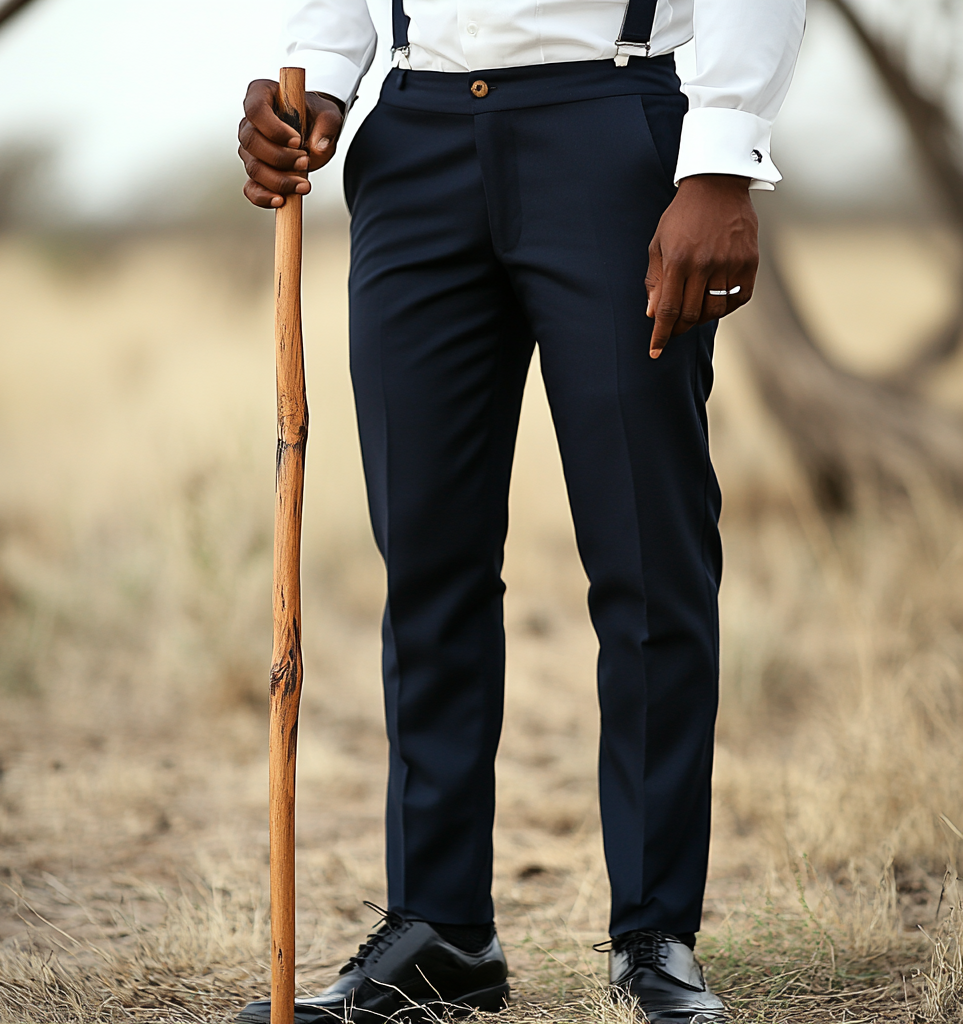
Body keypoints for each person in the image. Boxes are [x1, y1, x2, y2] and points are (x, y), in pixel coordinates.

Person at [235, 0, 804, 1019]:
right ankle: (442, 928)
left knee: (645, 558)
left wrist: (720, 153)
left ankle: (655, 932)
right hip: (412, 135)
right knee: (426, 559)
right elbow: (325, 31)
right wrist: (314, 67)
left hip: (612, 121)